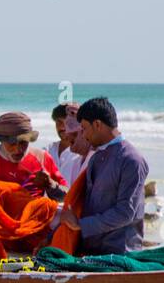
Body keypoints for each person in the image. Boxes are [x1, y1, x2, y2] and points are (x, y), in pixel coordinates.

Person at [58, 96, 149, 255]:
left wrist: (81, 225)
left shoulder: (131, 160)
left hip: (120, 252)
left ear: (98, 124)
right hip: (93, 250)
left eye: (84, 129)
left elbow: (125, 213)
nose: (84, 136)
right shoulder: (96, 158)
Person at [0, 111, 66, 199]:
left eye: (23, 142)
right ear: (1, 141)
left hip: (33, 217)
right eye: (12, 144)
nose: (18, 149)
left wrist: (51, 184)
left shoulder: (42, 158)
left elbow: (67, 197)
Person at [46, 103, 89, 188]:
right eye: (59, 122)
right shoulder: (48, 150)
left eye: (67, 122)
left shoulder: (84, 154)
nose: (62, 127)